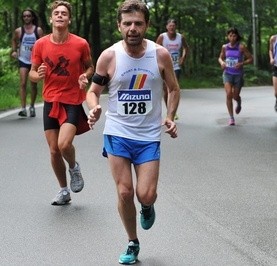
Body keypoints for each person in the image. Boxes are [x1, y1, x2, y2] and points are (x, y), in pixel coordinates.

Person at [86, 1, 179, 264]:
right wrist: (94, 109)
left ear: (147, 25)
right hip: (117, 132)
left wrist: (170, 116)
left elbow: (173, 88)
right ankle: (132, 242)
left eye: (138, 23)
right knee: (125, 192)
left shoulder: (160, 55)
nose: (133, 28)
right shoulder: (109, 56)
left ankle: (147, 207)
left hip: (149, 135)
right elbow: (93, 92)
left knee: (145, 195)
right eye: (127, 23)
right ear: (119, 26)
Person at [29, 1, 94, 205]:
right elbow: (32, 73)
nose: (59, 16)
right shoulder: (40, 44)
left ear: (69, 19)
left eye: (63, 13)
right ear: (50, 18)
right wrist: (37, 76)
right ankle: (64, 191)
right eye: (56, 13)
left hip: (72, 100)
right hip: (50, 100)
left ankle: (74, 168)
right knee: (54, 151)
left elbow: (90, 67)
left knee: (64, 144)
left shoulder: (80, 44)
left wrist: (85, 76)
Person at [11, 8, 44, 117]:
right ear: (22, 18)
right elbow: (14, 40)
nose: (26, 18)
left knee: (33, 84)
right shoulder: (19, 31)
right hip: (23, 59)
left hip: (34, 60)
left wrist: (42, 55)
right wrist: (14, 51)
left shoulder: (38, 30)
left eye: (28, 16)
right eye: (24, 16)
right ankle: (23, 108)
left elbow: (43, 43)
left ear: (32, 17)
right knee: (23, 82)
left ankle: (32, 106)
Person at [218, 27, 253, 126]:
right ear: (227, 36)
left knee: (235, 96)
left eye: (234, 36)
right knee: (229, 94)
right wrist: (222, 63)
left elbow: (250, 58)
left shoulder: (241, 47)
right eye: (230, 36)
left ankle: (239, 102)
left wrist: (242, 63)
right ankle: (231, 117)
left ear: (237, 36)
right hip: (227, 73)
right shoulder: (225, 47)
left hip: (238, 74)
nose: (232, 38)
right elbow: (220, 57)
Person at [155, 18, 188, 120]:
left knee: (174, 88)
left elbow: (186, 48)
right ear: (167, 27)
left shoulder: (180, 37)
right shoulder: (162, 37)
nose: (172, 27)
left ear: (176, 27)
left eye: (173, 26)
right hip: (165, 67)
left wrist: (183, 57)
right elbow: (155, 49)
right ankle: (169, 109)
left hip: (176, 66)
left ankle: (173, 112)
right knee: (166, 90)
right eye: (170, 26)